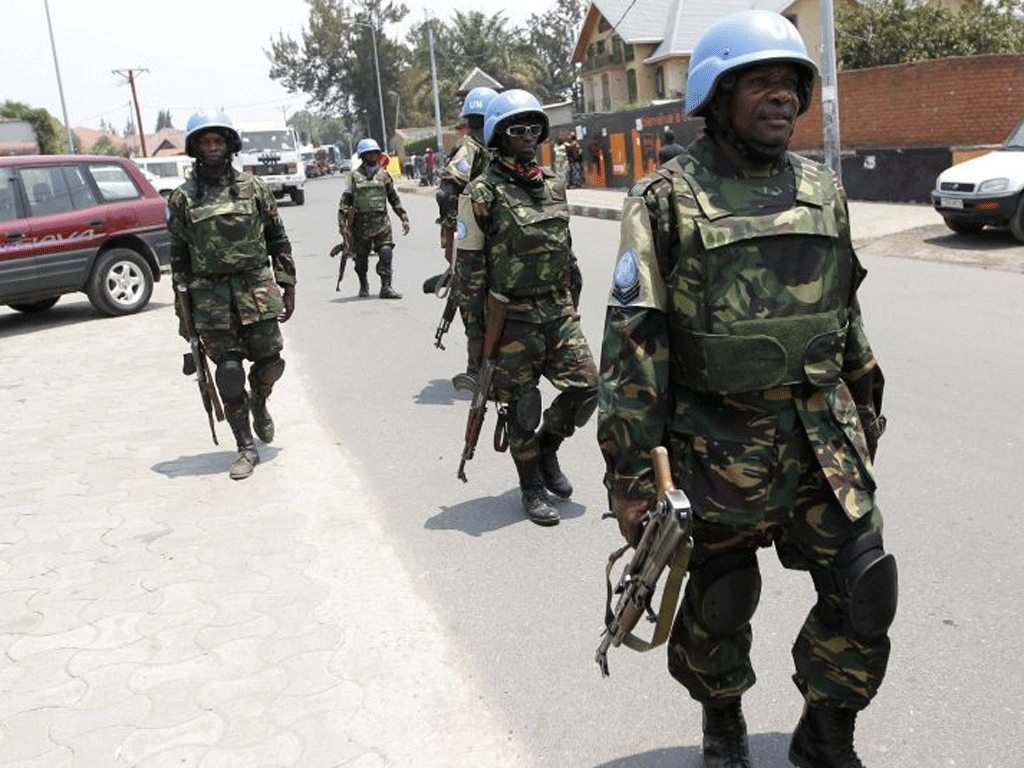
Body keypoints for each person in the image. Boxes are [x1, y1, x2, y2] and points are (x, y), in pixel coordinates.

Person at [597, 11, 896, 768]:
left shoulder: (823, 189)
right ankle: (722, 720)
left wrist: (864, 405)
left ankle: (826, 734)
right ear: (718, 95)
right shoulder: (666, 199)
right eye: (760, 81)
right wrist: (631, 477)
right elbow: (635, 345)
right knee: (719, 605)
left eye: (792, 83)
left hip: (822, 445)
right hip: (715, 452)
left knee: (866, 591)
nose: (781, 98)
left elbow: (845, 311)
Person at [455, 89, 599, 527]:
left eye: (534, 127)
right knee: (521, 406)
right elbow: (469, 274)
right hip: (511, 317)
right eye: (517, 129)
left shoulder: (553, 183)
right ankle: (531, 486)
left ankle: (548, 448)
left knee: (587, 387)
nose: (527, 136)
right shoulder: (481, 193)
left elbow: (566, 251)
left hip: (556, 311)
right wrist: (477, 339)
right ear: (499, 134)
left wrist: (572, 302)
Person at [168, 110, 296, 481]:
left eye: (218, 141)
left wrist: (287, 283)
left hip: (255, 288)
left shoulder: (254, 189)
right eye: (205, 141)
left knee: (272, 363)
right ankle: (244, 446)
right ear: (195, 148)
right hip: (209, 296)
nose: (212, 147)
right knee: (227, 373)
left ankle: (260, 401)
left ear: (229, 145)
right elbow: (178, 255)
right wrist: (183, 311)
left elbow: (277, 238)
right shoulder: (183, 198)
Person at [431, 86, 498, 390]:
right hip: (470, 240)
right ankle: (474, 369)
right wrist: (460, 233)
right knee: (473, 302)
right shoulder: (471, 147)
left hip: (489, 237)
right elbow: (446, 192)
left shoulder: (490, 147)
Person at [338, 138, 410, 299]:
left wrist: (403, 217)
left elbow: (393, 198)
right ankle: (363, 284)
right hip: (360, 225)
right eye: (368, 153)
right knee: (361, 260)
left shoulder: (384, 175)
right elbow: (345, 201)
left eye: (374, 153)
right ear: (362, 156)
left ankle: (386, 287)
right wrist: (342, 224)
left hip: (381, 223)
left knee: (386, 253)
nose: (372, 156)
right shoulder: (353, 177)